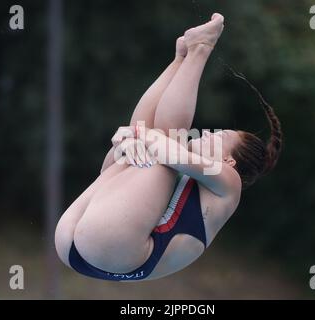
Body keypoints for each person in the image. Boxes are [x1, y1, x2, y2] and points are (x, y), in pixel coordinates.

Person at [55, 13, 282, 281]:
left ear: (229, 162)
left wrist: (131, 136)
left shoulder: (229, 184)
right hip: (82, 243)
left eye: (219, 137)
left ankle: (200, 50)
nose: (209, 134)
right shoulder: (165, 172)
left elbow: (167, 150)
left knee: (167, 141)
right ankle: (183, 57)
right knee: (150, 144)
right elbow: (110, 170)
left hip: (113, 249)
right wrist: (125, 144)